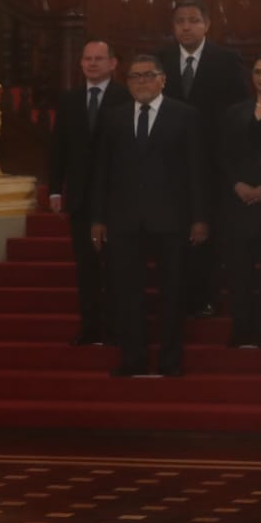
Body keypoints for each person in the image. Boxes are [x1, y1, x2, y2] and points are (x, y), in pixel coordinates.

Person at [90, 55, 208, 377]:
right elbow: (101, 171)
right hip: (124, 219)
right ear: (126, 82)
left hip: (172, 219)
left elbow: (197, 170)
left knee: (173, 293)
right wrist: (98, 218)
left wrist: (199, 218)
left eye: (148, 75)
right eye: (134, 77)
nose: (141, 82)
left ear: (162, 80)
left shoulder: (185, 116)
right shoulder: (113, 118)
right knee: (127, 293)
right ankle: (133, 358)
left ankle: (171, 360)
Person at [155, 0, 249, 318]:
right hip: (170, 162)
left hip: (213, 161)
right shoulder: (160, 60)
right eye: (181, 21)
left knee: (209, 230)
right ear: (173, 26)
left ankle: (207, 294)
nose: (187, 27)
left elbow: (240, 110)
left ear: (207, 24)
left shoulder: (226, 59)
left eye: (194, 20)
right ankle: (177, 294)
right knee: (174, 229)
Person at [48, 40, 130, 346]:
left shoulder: (125, 97)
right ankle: (90, 326)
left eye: (99, 58)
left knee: (117, 267)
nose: (92, 63)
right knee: (86, 267)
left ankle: (117, 326)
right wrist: (56, 189)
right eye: (88, 59)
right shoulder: (70, 100)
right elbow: (58, 149)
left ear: (113, 63)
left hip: (116, 197)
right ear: (81, 64)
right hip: (81, 198)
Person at [219, 50, 261, 349]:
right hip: (239, 202)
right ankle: (241, 326)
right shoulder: (235, 112)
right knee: (239, 269)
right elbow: (223, 155)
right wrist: (236, 184)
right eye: (257, 72)